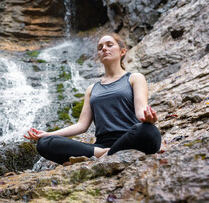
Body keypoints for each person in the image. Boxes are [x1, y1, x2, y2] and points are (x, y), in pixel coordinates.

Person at [24, 33, 161, 165]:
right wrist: (48, 134)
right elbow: (82, 125)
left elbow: (141, 110)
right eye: (100, 48)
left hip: (131, 138)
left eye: (109, 45)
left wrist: (148, 118)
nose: (104, 49)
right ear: (99, 56)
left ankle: (102, 155)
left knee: (149, 131)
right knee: (44, 143)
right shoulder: (92, 88)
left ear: (122, 51)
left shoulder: (134, 78)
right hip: (99, 146)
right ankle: (103, 153)